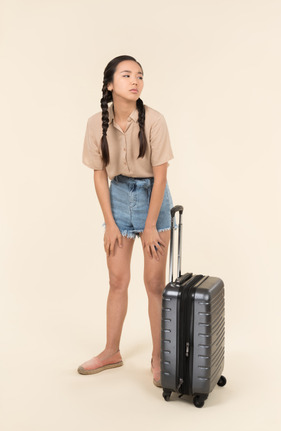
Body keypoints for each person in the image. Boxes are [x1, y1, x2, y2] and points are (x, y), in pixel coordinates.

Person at [78, 55, 175, 387]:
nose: (135, 81)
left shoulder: (155, 120)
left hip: (154, 201)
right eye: (126, 75)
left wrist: (150, 226)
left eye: (140, 76)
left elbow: (160, 178)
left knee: (154, 284)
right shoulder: (96, 123)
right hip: (118, 199)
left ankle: (160, 358)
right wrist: (110, 223)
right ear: (109, 85)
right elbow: (99, 175)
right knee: (117, 281)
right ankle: (110, 352)